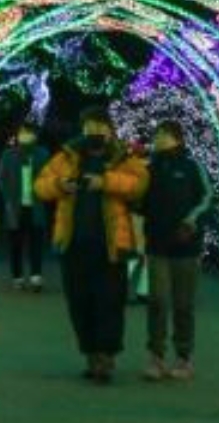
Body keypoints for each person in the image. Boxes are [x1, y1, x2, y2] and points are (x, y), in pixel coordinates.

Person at [34, 106, 149, 383]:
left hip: (111, 246)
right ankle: (90, 354)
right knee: (80, 302)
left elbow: (140, 184)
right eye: (90, 127)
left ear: (110, 129)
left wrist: (105, 182)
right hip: (74, 244)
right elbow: (40, 186)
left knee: (109, 303)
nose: (95, 132)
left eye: (100, 126)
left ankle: (106, 358)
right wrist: (62, 184)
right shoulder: (68, 156)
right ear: (82, 129)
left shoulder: (122, 156)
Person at [141, 119, 211, 381]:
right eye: (157, 134)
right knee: (157, 301)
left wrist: (190, 221)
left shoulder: (192, 167)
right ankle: (156, 356)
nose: (157, 138)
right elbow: (139, 200)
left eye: (162, 134)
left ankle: (184, 356)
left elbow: (206, 197)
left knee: (183, 304)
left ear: (176, 138)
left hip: (186, 247)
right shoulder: (150, 168)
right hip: (157, 245)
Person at [0, 123, 51, 291]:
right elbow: (1, 177)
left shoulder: (42, 154)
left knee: (36, 242)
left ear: (35, 135)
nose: (24, 135)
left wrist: (44, 193)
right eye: (22, 133)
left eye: (28, 133)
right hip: (15, 207)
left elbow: (50, 176)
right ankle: (17, 276)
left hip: (36, 205)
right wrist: (8, 199)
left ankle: (36, 276)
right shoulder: (9, 154)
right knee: (16, 243)